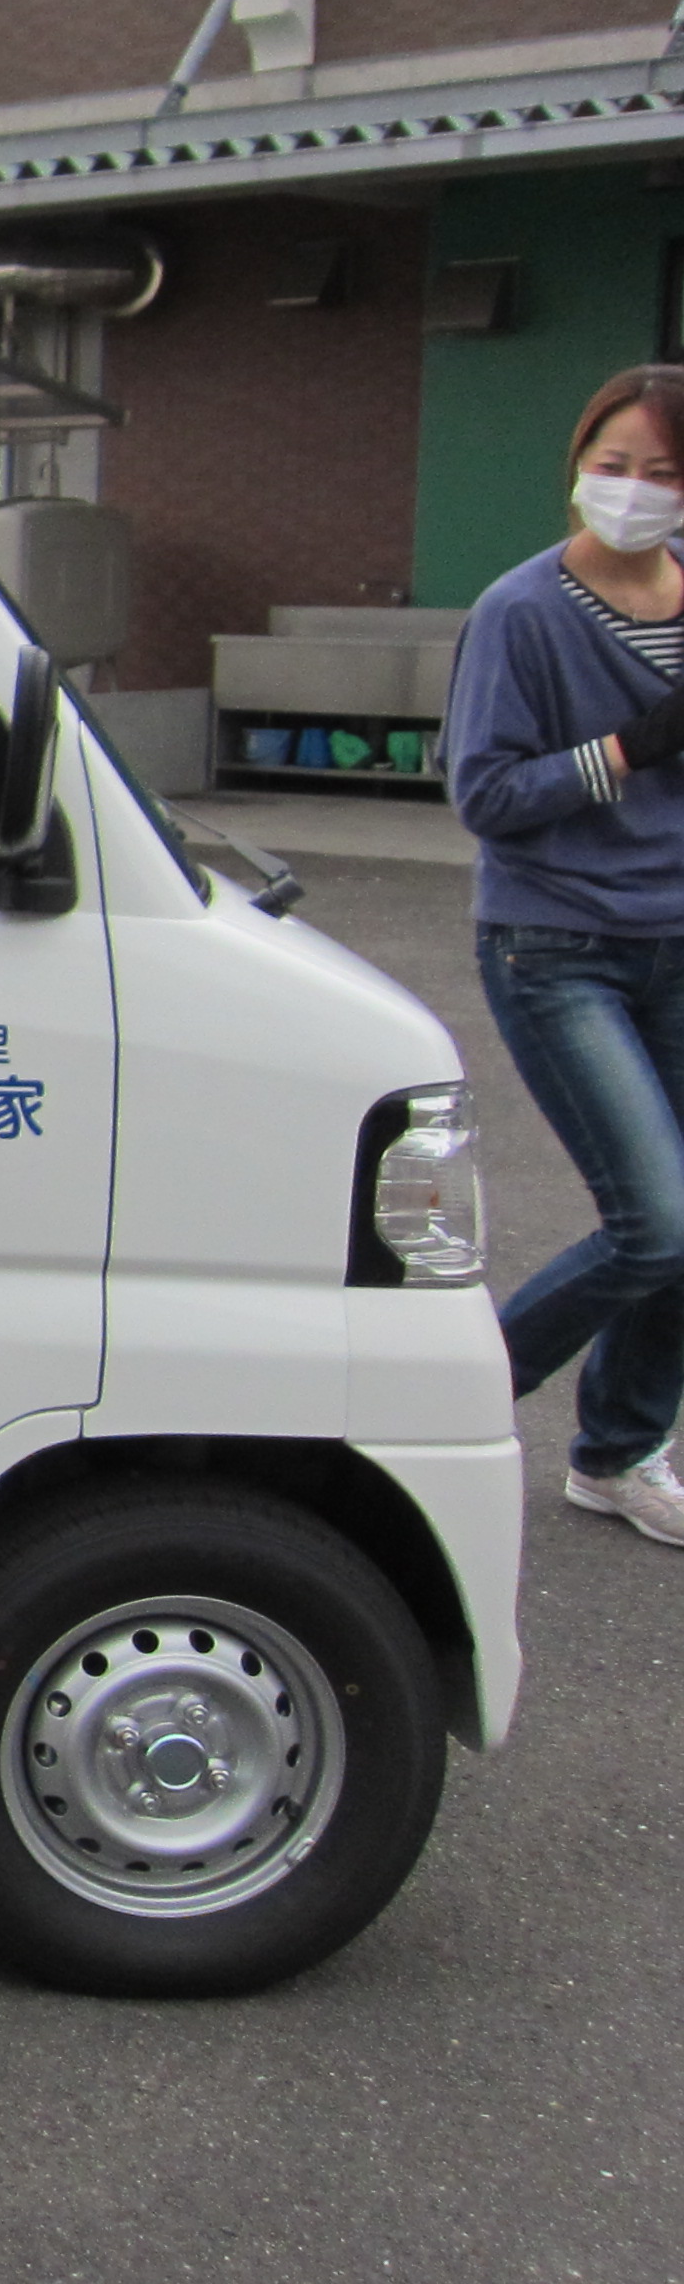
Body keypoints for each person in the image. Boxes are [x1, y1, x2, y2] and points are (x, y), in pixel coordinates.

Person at [449, 362, 684, 1541]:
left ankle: (621, 1454)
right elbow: (484, 795)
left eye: (661, 471)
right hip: (555, 942)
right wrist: (629, 750)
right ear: (578, 467)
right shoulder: (523, 611)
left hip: (676, 935)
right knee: (656, 1221)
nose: (632, 489)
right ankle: (447, 1396)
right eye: (612, 463)